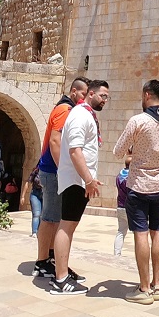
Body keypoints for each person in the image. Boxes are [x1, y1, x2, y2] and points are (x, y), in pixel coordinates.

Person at [112, 79, 159, 305]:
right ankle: (157, 284)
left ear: (146, 95)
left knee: (140, 234)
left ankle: (143, 288)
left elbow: (117, 151)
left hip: (139, 185)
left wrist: (135, 153)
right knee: (158, 231)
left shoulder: (138, 121)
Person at [51, 79, 110, 295]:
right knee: (66, 226)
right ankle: (60, 279)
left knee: (69, 226)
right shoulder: (79, 115)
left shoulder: (85, 115)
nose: (105, 100)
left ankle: (62, 272)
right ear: (91, 94)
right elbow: (75, 150)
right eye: (102, 96)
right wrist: (88, 179)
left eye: (107, 97)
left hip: (78, 180)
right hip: (76, 181)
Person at [33, 77, 89, 279]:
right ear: (74, 91)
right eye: (83, 93)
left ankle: (52, 260)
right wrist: (62, 169)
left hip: (54, 171)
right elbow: (55, 141)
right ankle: (41, 262)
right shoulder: (64, 110)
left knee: (56, 218)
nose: (84, 98)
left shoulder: (69, 110)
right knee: (49, 218)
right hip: (52, 171)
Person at [113, 156, 130, 257]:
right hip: (130, 207)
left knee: (121, 231)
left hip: (120, 206)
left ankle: (116, 253)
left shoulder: (119, 175)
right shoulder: (131, 176)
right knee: (139, 232)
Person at [28, 165, 43, 237]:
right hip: (35, 193)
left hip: (45, 194)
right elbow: (28, 182)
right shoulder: (35, 172)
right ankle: (34, 232)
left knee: (43, 215)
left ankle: (40, 232)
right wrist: (22, 196)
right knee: (36, 214)